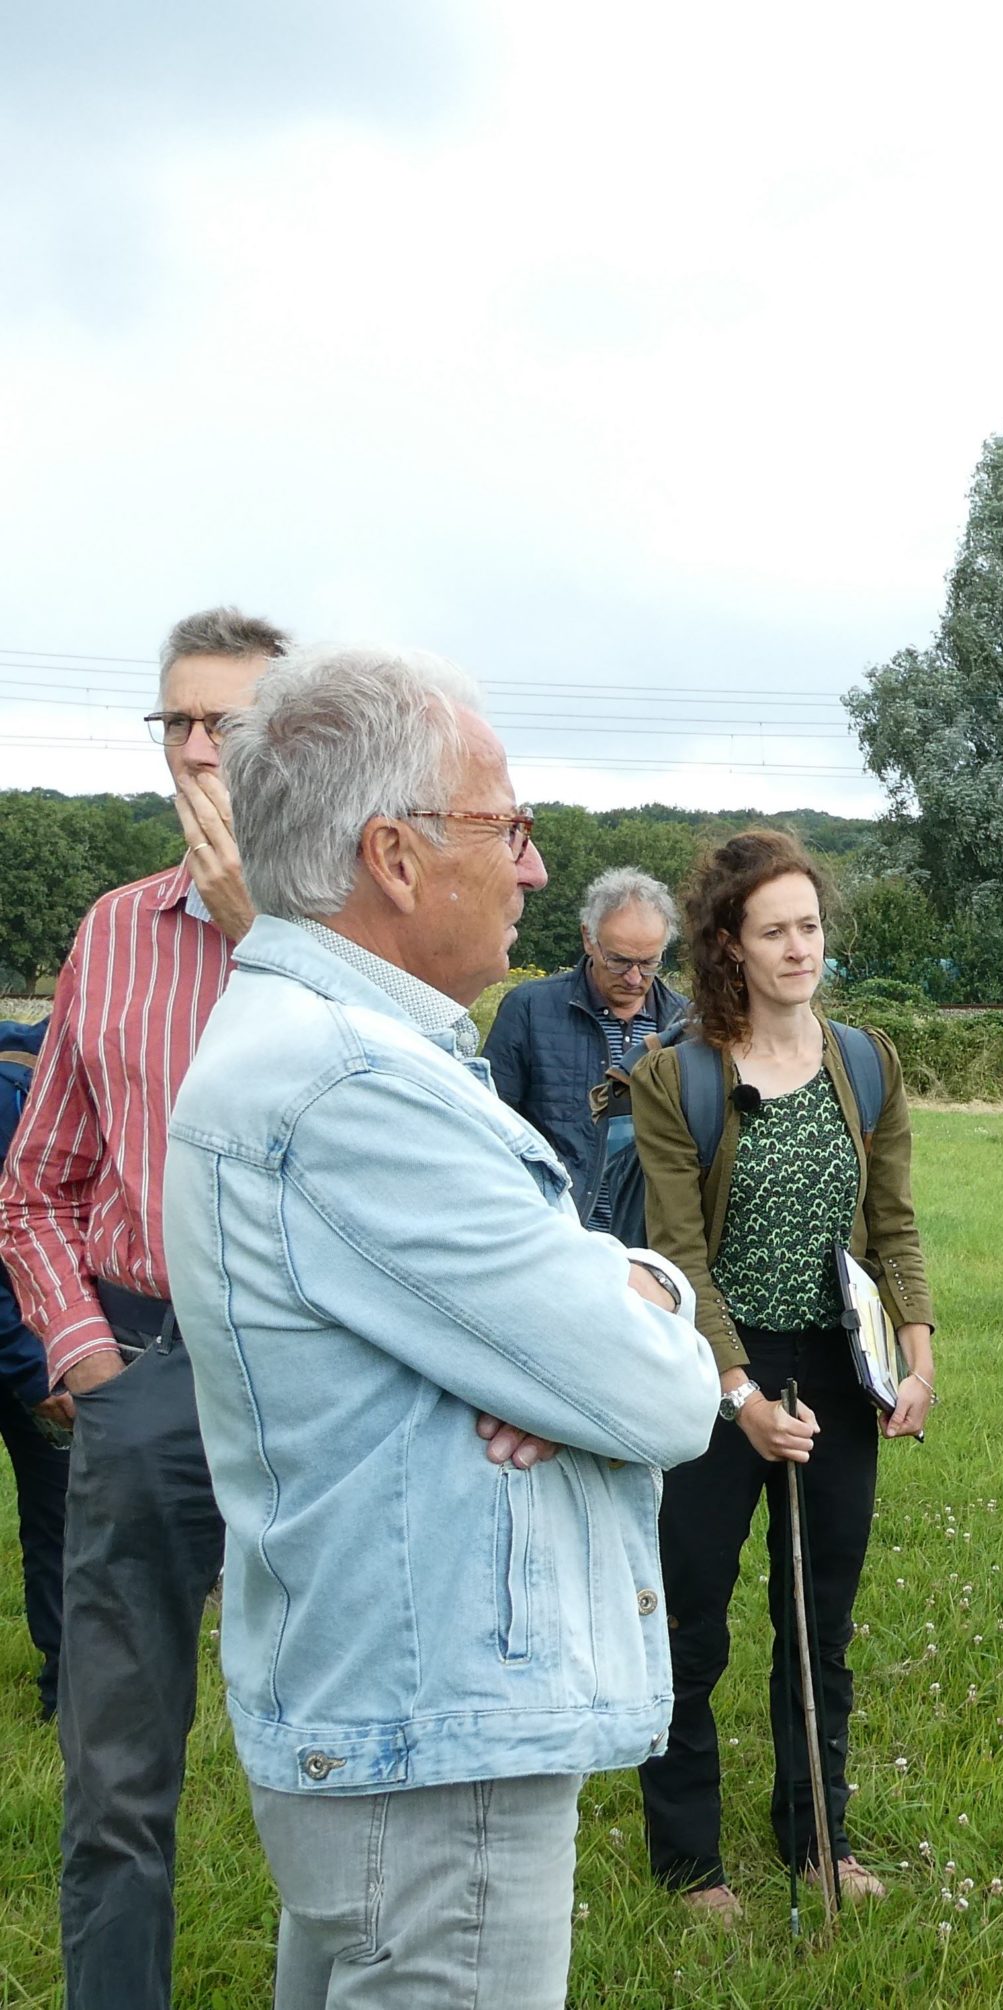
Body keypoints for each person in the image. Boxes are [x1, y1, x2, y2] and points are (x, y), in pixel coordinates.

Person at [160, 645, 720, 2007]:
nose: (532, 866)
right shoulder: (353, 1082)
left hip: (398, 1701)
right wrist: (625, 1319)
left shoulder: (329, 1042)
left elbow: (616, 1323)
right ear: (395, 857)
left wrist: (631, 1294)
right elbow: (660, 1395)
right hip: (435, 1733)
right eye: (508, 825)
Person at [0, 604, 286, 2010]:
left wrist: (262, 931)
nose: (191, 748)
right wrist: (89, 1355)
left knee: (347, 1759)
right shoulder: (111, 932)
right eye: (173, 721)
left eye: (221, 722)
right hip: (144, 1367)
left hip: (322, 1379)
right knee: (114, 1780)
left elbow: (444, 1137)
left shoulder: (367, 927)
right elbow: (34, 1179)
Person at [631, 829, 937, 1918]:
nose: (799, 948)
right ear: (729, 947)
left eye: (809, 927)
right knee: (693, 1624)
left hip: (837, 1369)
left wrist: (916, 1346)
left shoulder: (867, 1061)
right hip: (715, 1376)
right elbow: (679, 1259)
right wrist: (741, 1397)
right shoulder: (677, 1080)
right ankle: (687, 1861)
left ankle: (819, 1842)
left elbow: (892, 1217)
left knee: (820, 1622)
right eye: (775, 932)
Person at [485, 865, 689, 1228]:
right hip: (557, 1230)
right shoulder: (530, 1009)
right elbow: (490, 1130)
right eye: (619, 960)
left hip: (652, 1240)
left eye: (648, 963)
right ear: (588, 939)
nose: (633, 977)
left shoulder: (685, 1025)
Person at [0, 1015, 69, 1722]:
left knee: (62, 1514)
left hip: (35, 1343)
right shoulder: (15, 1093)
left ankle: (66, 1684)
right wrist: (35, 1366)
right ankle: (65, 1685)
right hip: (29, 1351)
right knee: (60, 1518)